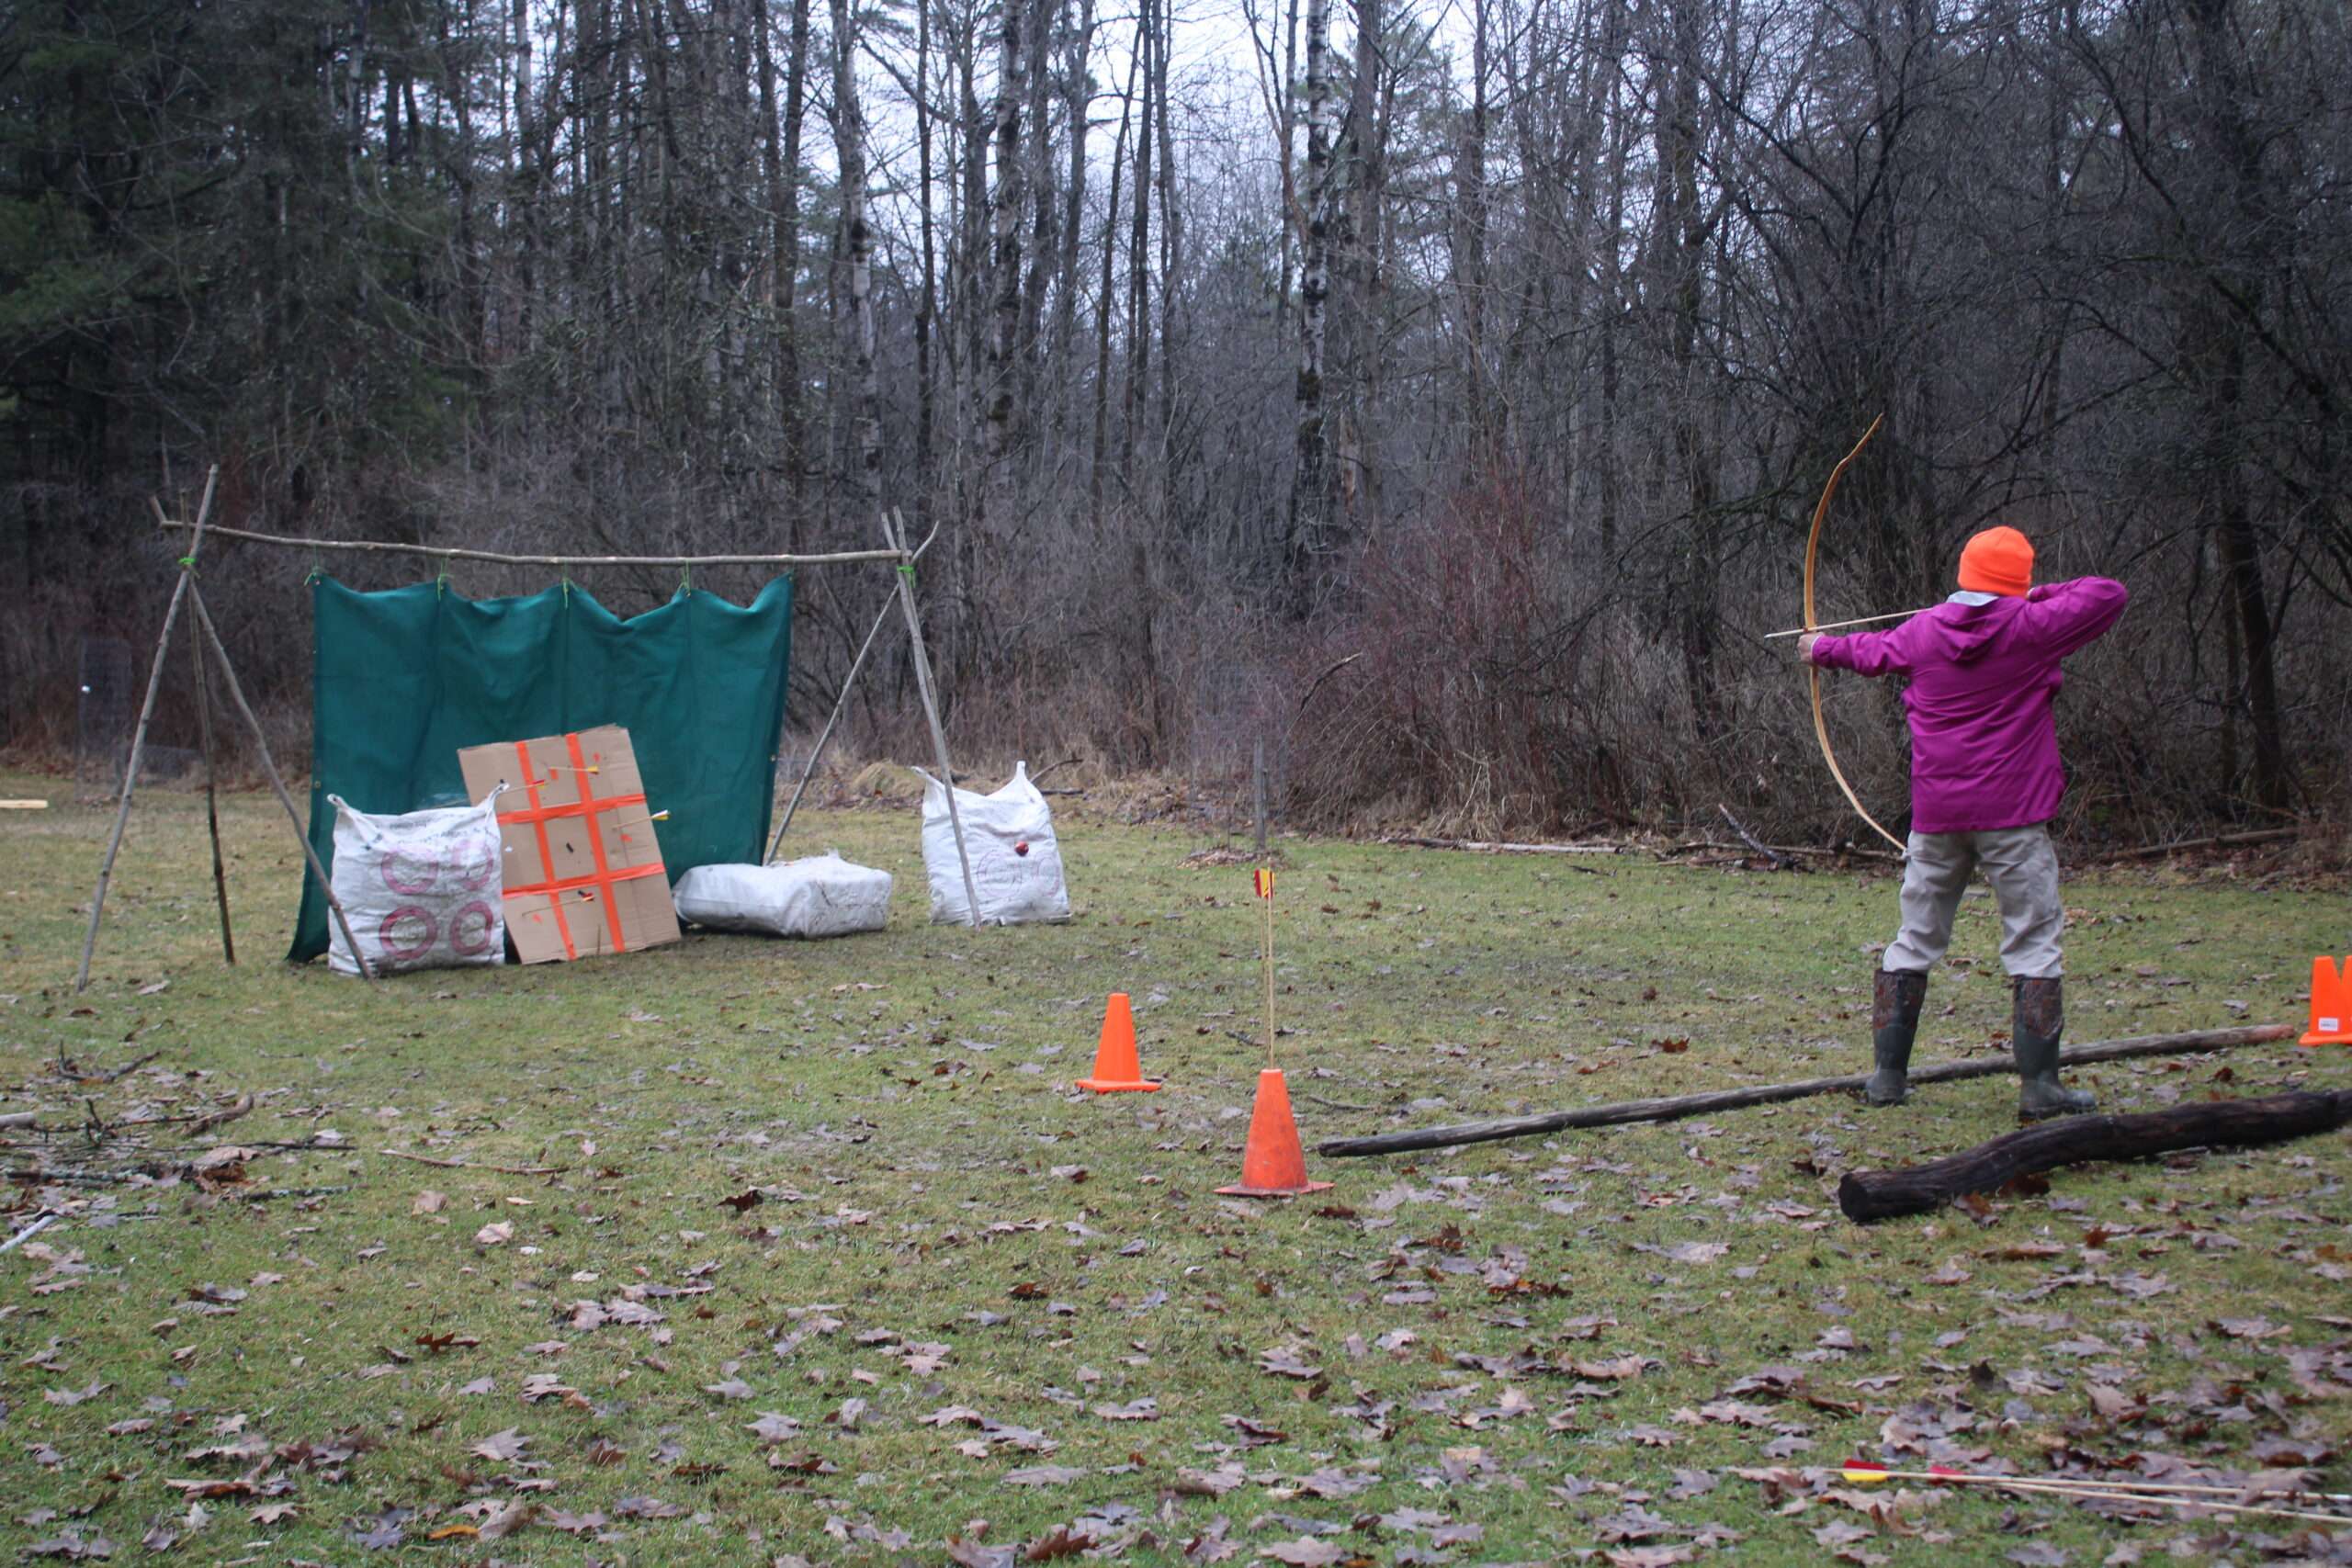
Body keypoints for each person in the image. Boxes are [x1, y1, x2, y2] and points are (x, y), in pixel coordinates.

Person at [1801, 525, 2128, 1119]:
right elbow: (2108, 593)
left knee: (1915, 937)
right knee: (2034, 941)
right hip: (2013, 815)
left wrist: (1821, 648)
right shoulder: (2031, 626)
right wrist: (2033, 597)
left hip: (1939, 815)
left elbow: (1869, 651)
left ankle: (1887, 1078)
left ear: (1965, 575)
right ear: (2016, 582)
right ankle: (2040, 1087)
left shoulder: (1925, 630)